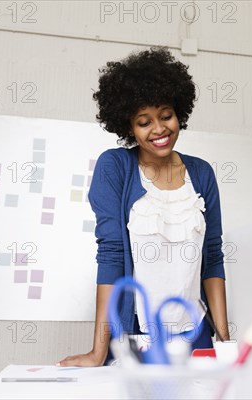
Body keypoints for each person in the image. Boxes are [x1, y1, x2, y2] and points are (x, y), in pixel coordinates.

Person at [59, 47, 230, 367]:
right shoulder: (115, 168)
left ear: (179, 112)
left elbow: (213, 259)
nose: (159, 129)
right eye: (143, 122)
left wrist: (224, 340)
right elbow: (110, 256)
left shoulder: (202, 173)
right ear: (128, 128)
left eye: (166, 116)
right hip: (137, 339)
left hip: (196, 337)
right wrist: (98, 352)